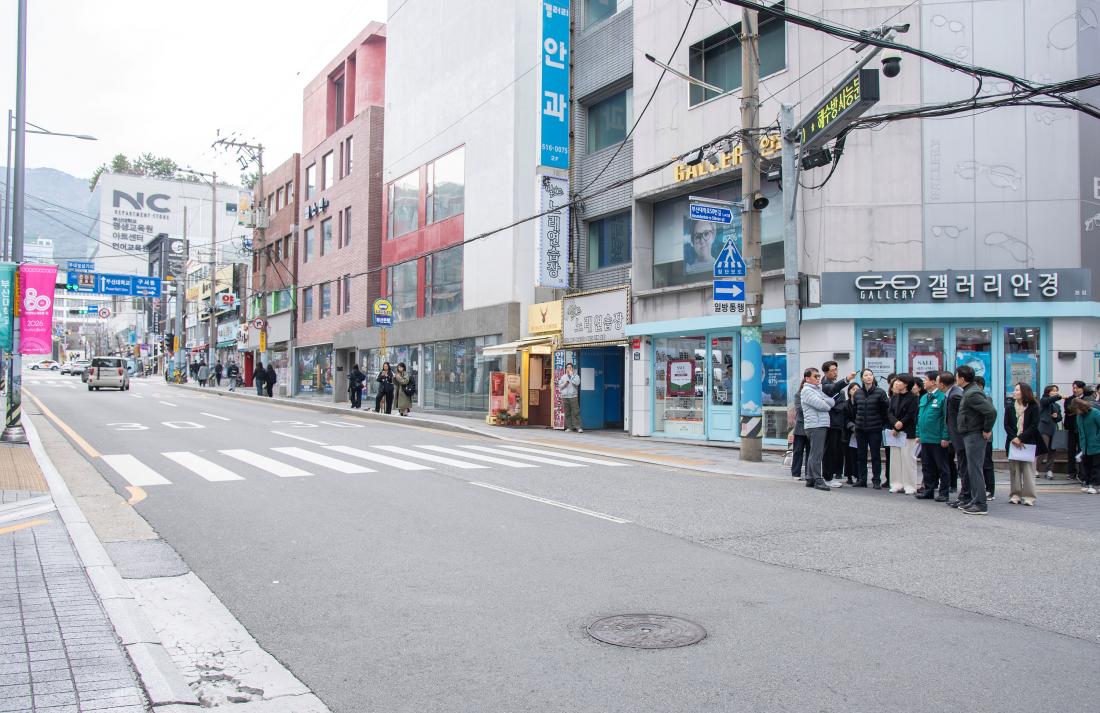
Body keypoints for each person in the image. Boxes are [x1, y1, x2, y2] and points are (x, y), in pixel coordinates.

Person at [956, 365, 996, 515]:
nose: (956, 378)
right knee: (972, 469)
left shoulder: (972, 393)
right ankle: (975, 500)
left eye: (957, 376)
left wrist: (987, 429)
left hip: (974, 434)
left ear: (962, 378)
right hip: (970, 433)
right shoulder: (970, 391)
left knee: (975, 469)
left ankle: (980, 504)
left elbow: (991, 411)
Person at [849, 368, 889, 488]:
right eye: (865, 375)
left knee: (875, 455)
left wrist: (881, 423)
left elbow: (885, 410)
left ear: (873, 377)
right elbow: (855, 409)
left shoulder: (880, 392)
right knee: (861, 455)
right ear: (862, 378)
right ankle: (862, 479)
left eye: (870, 375)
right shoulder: (858, 393)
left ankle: (876, 480)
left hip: (875, 429)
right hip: (860, 429)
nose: (868, 377)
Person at [1004, 382, 1043, 506]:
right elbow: (1007, 425)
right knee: (1014, 471)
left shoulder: (1033, 406)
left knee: (1028, 471)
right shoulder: (1010, 406)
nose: (1014, 392)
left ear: (1024, 392)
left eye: (1017, 390)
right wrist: (1014, 438)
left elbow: (1033, 426)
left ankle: (1029, 496)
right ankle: (1015, 494)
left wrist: (1021, 438)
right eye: (1014, 390)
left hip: (1028, 442)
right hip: (1012, 442)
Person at [916, 371, 951, 501]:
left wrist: (945, 437)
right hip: (925, 438)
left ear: (933, 382)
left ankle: (944, 492)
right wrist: (918, 433)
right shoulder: (924, 397)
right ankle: (928, 490)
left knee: (942, 467)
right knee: (927, 466)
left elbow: (946, 419)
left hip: (937, 439)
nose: (923, 382)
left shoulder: (942, 397)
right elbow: (920, 417)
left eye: (925, 380)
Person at [821, 361, 856, 488]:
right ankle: (827, 477)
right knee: (829, 451)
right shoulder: (825, 384)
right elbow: (832, 390)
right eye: (832, 370)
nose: (835, 372)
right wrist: (847, 379)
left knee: (835, 450)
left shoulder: (832, 383)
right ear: (826, 372)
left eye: (836, 369)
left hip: (838, 422)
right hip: (831, 422)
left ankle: (831, 475)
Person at [800, 367, 834, 492]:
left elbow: (831, 401)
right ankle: (818, 479)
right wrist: (825, 401)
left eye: (819, 376)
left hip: (819, 423)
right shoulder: (807, 390)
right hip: (815, 425)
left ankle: (810, 478)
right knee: (817, 453)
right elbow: (823, 405)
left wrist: (825, 401)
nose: (818, 378)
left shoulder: (817, 389)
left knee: (814, 452)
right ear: (807, 378)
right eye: (815, 376)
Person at [887, 373, 920, 494]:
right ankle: (896, 483)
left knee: (908, 459)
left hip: (907, 432)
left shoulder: (913, 397)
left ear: (906, 384)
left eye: (900, 381)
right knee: (895, 459)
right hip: (895, 432)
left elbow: (911, 414)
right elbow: (889, 412)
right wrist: (895, 424)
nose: (897, 383)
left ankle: (910, 485)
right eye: (896, 381)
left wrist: (901, 423)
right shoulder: (895, 397)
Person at [939, 371, 966, 504]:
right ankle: (964, 496)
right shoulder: (952, 394)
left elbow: (961, 417)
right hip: (957, 437)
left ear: (942, 385)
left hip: (960, 438)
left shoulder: (955, 396)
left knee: (964, 468)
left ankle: (965, 496)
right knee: (962, 466)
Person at [1069, 399, 1100, 494]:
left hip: (1096, 445)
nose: (1077, 412)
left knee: (1097, 466)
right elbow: (1080, 431)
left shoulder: (1095, 413)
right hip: (1085, 446)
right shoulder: (1079, 416)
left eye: (1077, 410)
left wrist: (1097, 439)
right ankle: (1088, 483)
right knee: (1087, 465)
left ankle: (1095, 485)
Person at [973, 375, 997, 500]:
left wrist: (986, 430)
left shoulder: (986, 399)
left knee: (987, 464)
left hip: (985, 436)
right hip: (974, 437)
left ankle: (990, 489)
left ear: (980, 386)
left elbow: (989, 414)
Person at [1063, 381, 1088, 482]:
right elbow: (1069, 409)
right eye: (1073, 388)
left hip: (1083, 429)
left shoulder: (1086, 399)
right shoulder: (1069, 399)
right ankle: (1071, 472)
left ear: (1082, 388)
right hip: (1072, 429)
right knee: (1071, 450)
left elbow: (1085, 410)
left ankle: (1082, 473)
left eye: (1077, 388)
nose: (1075, 390)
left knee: (1082, 450)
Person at [1037, 385, 1062, 480]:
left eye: (1056, 391)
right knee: (1043, 448)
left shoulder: (1057, 405)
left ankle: (1049, 470)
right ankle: (1035, 468)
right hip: (1043, 428)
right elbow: (1047, 401)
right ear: (1048, 392)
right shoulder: (1044, 400)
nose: (1055, 392)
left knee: (1053, 449)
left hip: (1053, 428)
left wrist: (1056, 416)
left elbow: (1060, 418)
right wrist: (1059, 396)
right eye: (1053, 391)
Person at [789, 372, 809, 480]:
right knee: (798, 451)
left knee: (810, 452)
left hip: (812, 427)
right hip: (800, 427)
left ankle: (808, 473)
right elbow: (799, 409)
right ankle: (796, 473)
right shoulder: (798, 395)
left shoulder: (815, 394)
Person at [843, 382, 860, 484]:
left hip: (860, 432)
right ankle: (849, 476)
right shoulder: (846, 404)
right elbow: (844, 418)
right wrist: (852, 426)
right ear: (849, 391)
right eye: (853, 389)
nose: (855, 391)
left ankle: (859, 476)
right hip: (848, 433)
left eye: (857, 389)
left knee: (859, 455)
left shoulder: (862, 403)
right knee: (848, 455)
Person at [558, 363, 582, 432]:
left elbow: (577, 383)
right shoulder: (563, 377)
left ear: (572, 369)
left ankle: (578, 427)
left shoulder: (576, 376)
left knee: (576, 412)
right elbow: (560, 386)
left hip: (573, 396)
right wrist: (565, 383)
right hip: (565, 396)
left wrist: (572, 377)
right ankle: (570, 427)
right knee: (567, 412)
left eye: (570, 367)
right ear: (566, 369)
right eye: (567, 367)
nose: (569, 369)